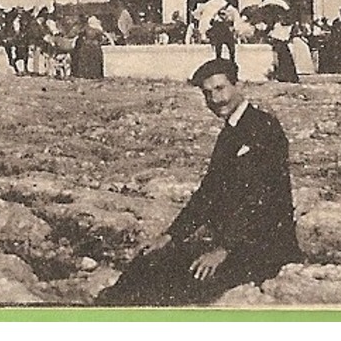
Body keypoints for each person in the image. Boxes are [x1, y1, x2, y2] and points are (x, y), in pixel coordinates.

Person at [95, 59, 299, 306]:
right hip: (234, 244)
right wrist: (170, 235)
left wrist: (225, 249)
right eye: (207, 93)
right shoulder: (231, 131)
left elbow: (262, 199)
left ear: (238, 85)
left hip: (264, 248)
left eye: (220, 88)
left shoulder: (263, 127)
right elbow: (208, 193)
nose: (215, 99)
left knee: (177, 284)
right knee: (151, 258)